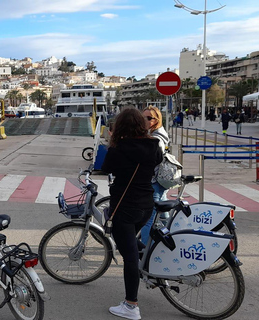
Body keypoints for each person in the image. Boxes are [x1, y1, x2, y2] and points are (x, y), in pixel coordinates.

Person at [102, 108, 162, 320]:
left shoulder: (119, 149)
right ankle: (152, 264)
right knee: (130, 245)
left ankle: (131, 305)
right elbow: (156, 162)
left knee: (128, 256)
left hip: (125, 207)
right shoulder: (154, 145)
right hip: (146, 205)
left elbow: (106, 168)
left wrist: (112, 142)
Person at [140, 106, 170, 245]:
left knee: (148, 220)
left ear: (156, 120)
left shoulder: (157, 138)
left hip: (155, 181)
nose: (145, 120)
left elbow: (153, 157)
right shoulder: (153, 133)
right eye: (143, 117)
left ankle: (147, 255)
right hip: (160, 181)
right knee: (163, 217)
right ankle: (168, 241)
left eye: (149, 118)